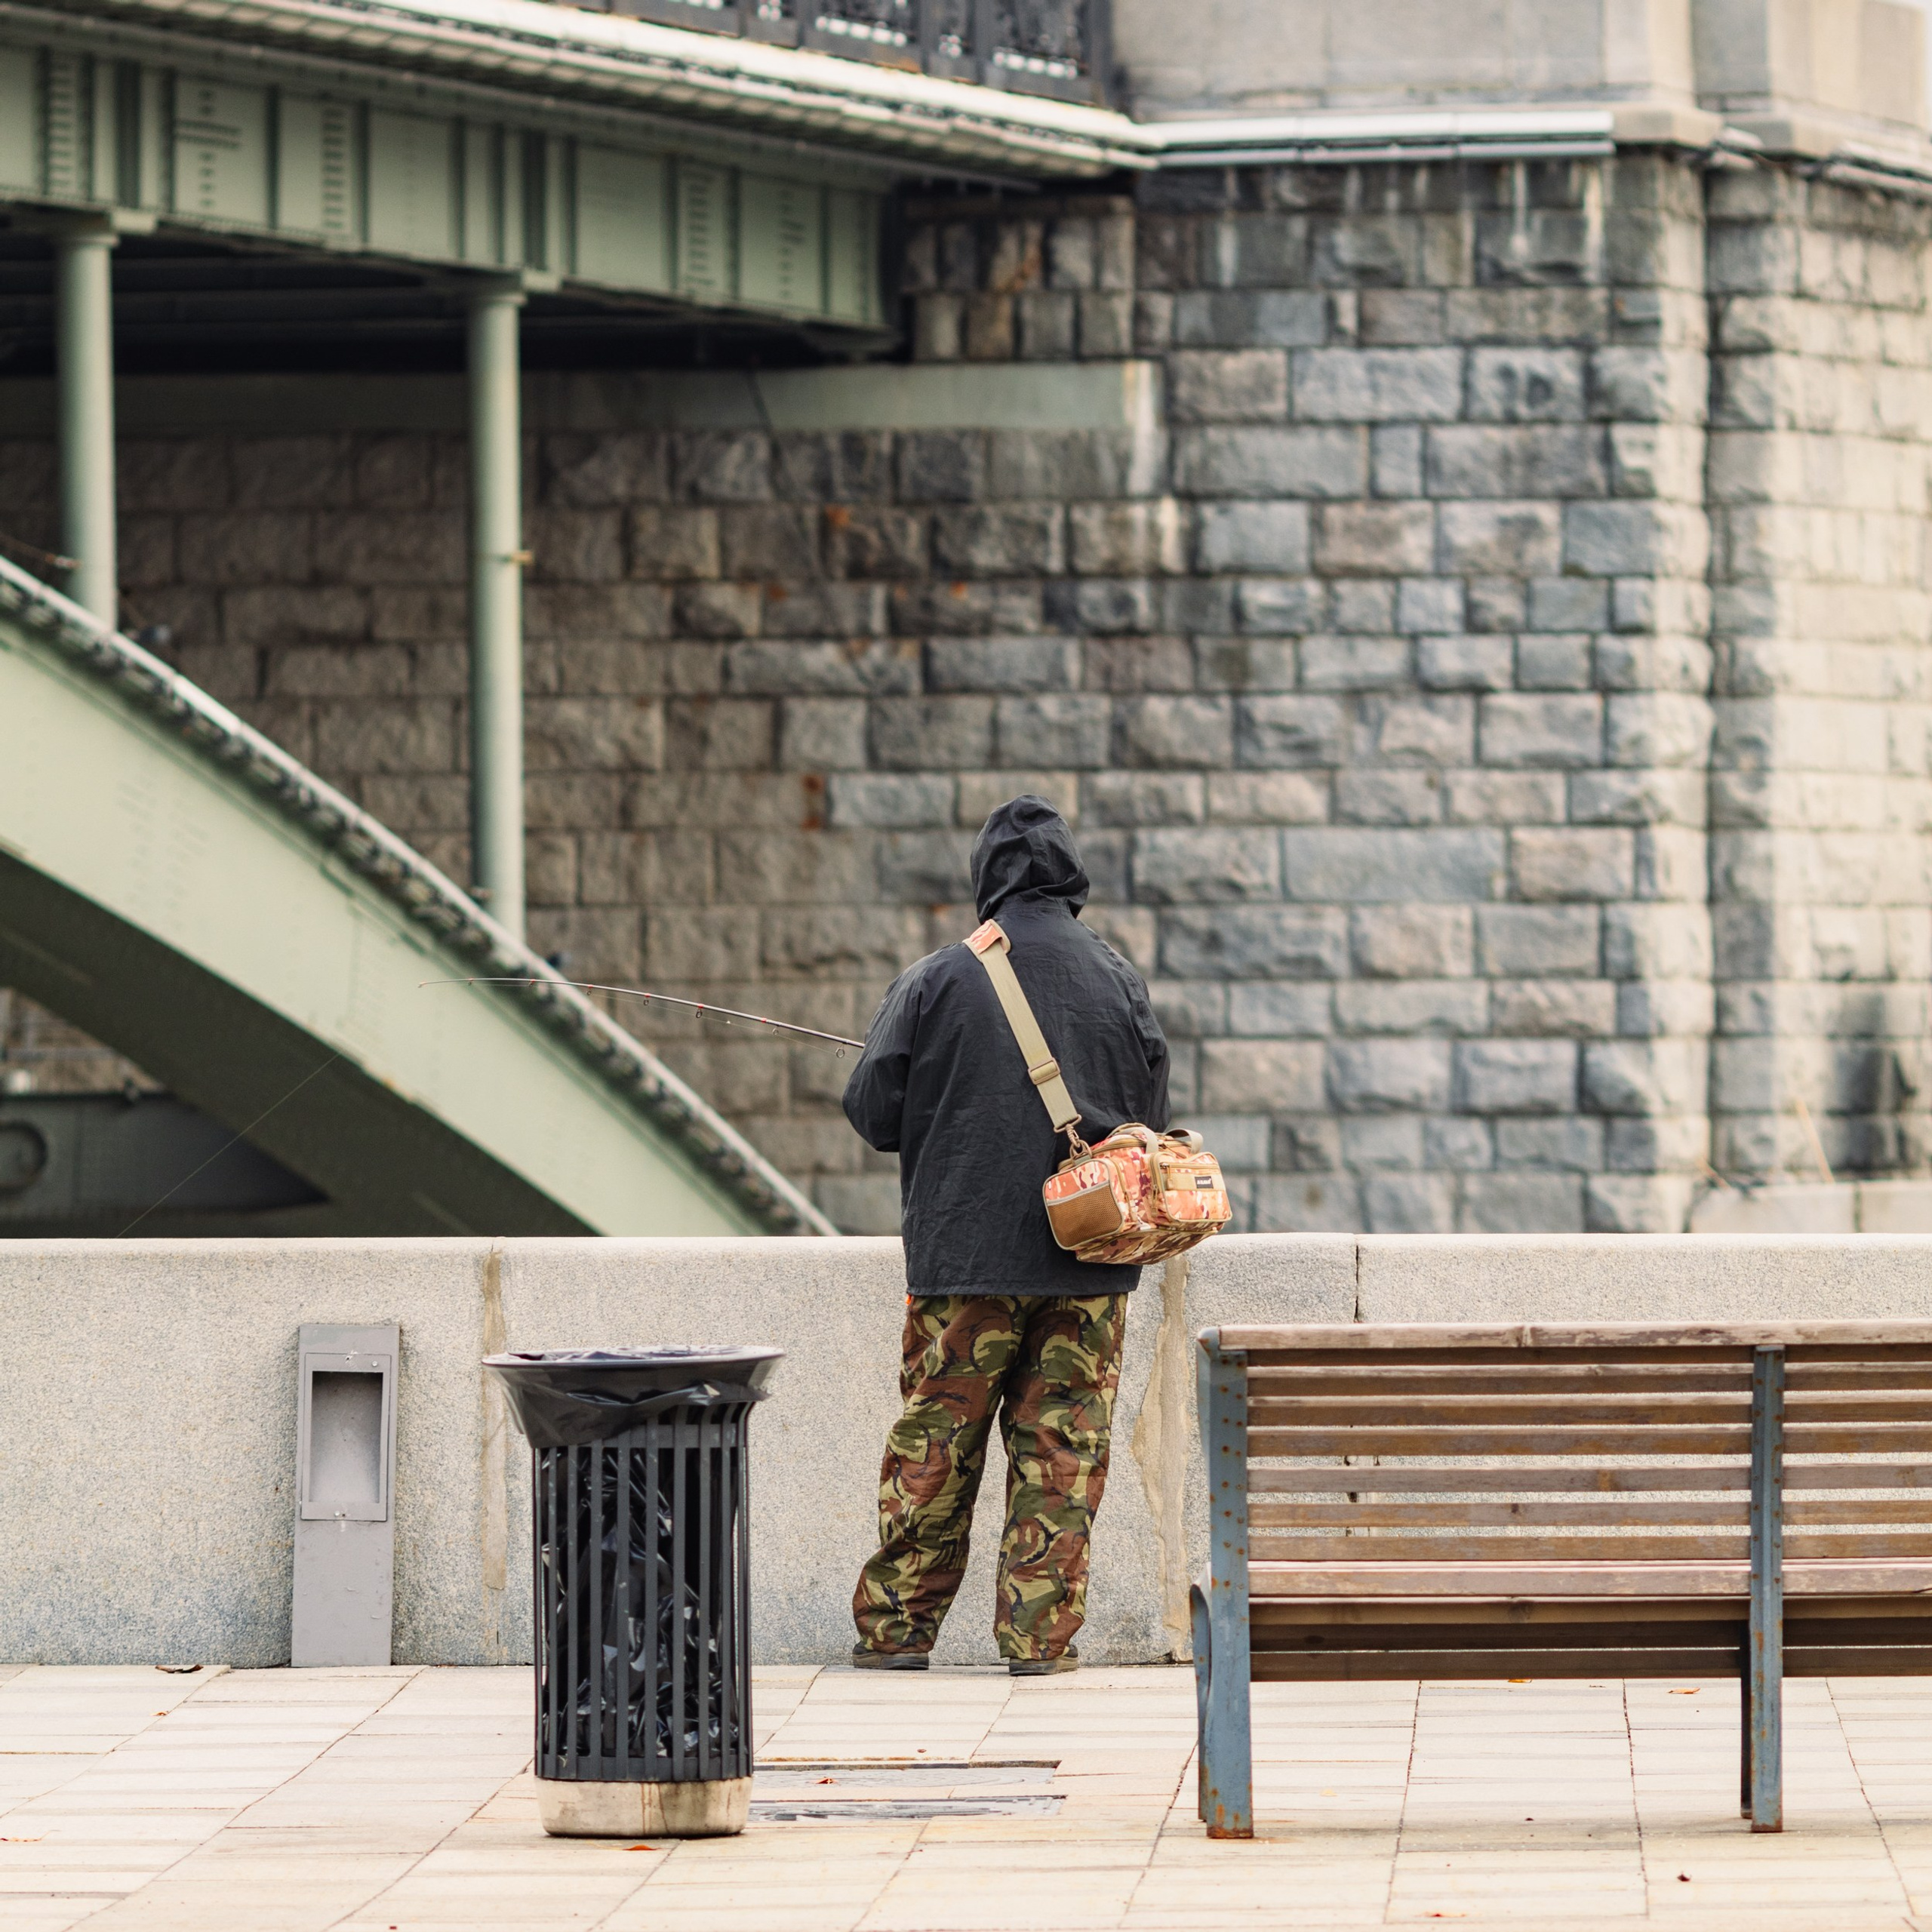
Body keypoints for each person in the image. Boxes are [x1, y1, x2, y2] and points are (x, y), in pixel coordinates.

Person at [841, 795, 1171, 1675]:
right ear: (1067, 877)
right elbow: (1150, 1116)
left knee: (936, 1445)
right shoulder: (1117, 978)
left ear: (987, 877)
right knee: (1062, 1452)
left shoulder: (939, 977)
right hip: (1089, 1264)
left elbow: (873, 1113)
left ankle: (896, 1634)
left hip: (963, 1261)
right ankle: (1038, 1642)